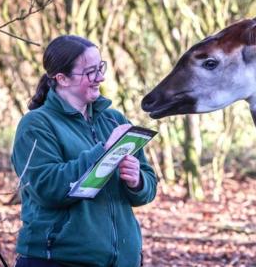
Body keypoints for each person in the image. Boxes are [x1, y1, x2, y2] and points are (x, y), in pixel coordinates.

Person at [11, 35, 157, 267]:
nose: (100, 77)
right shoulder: (36, 125)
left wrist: (137, 181)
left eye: (100, 67)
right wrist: (105, 151)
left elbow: (148, 187)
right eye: (90, 72)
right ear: (62, 78)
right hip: (58, 260)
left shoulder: (113, 119)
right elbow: (46, 188)